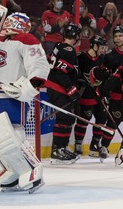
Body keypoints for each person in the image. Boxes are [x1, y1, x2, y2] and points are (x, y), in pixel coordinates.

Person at [0, 11, 50, 192]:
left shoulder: (27, 39)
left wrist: (27, 89)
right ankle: (14, 170)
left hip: (13, 96)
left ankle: (33, 169)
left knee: (13, 134)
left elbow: (39, 67)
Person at [89, 25, 123, 161]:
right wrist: (102, 90)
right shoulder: (110, 56)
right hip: (117, 95)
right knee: (112, 122)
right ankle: (104, 146)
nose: (118, 38)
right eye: (116, 36)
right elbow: (104, 75)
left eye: (121, 35)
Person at [45, 23, 81, 165]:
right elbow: (61, 73)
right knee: (63, 119)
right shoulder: (68, 49)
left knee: (68, 119)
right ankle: (56, 151)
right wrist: (71, 89)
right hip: (59, 88)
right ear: (76, 37)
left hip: (56, 87)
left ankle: (62, 148)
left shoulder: (58, 46)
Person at [73, 35, 110, 157]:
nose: (103, 50)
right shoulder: (81, 58)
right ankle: (78, 144)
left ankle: (95, 144)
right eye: (101, 47)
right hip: (86, 94)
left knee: (102, 118)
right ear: (94, 46)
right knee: (84, 119)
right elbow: (75, 75)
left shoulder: (103, 59)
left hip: (99, 95)